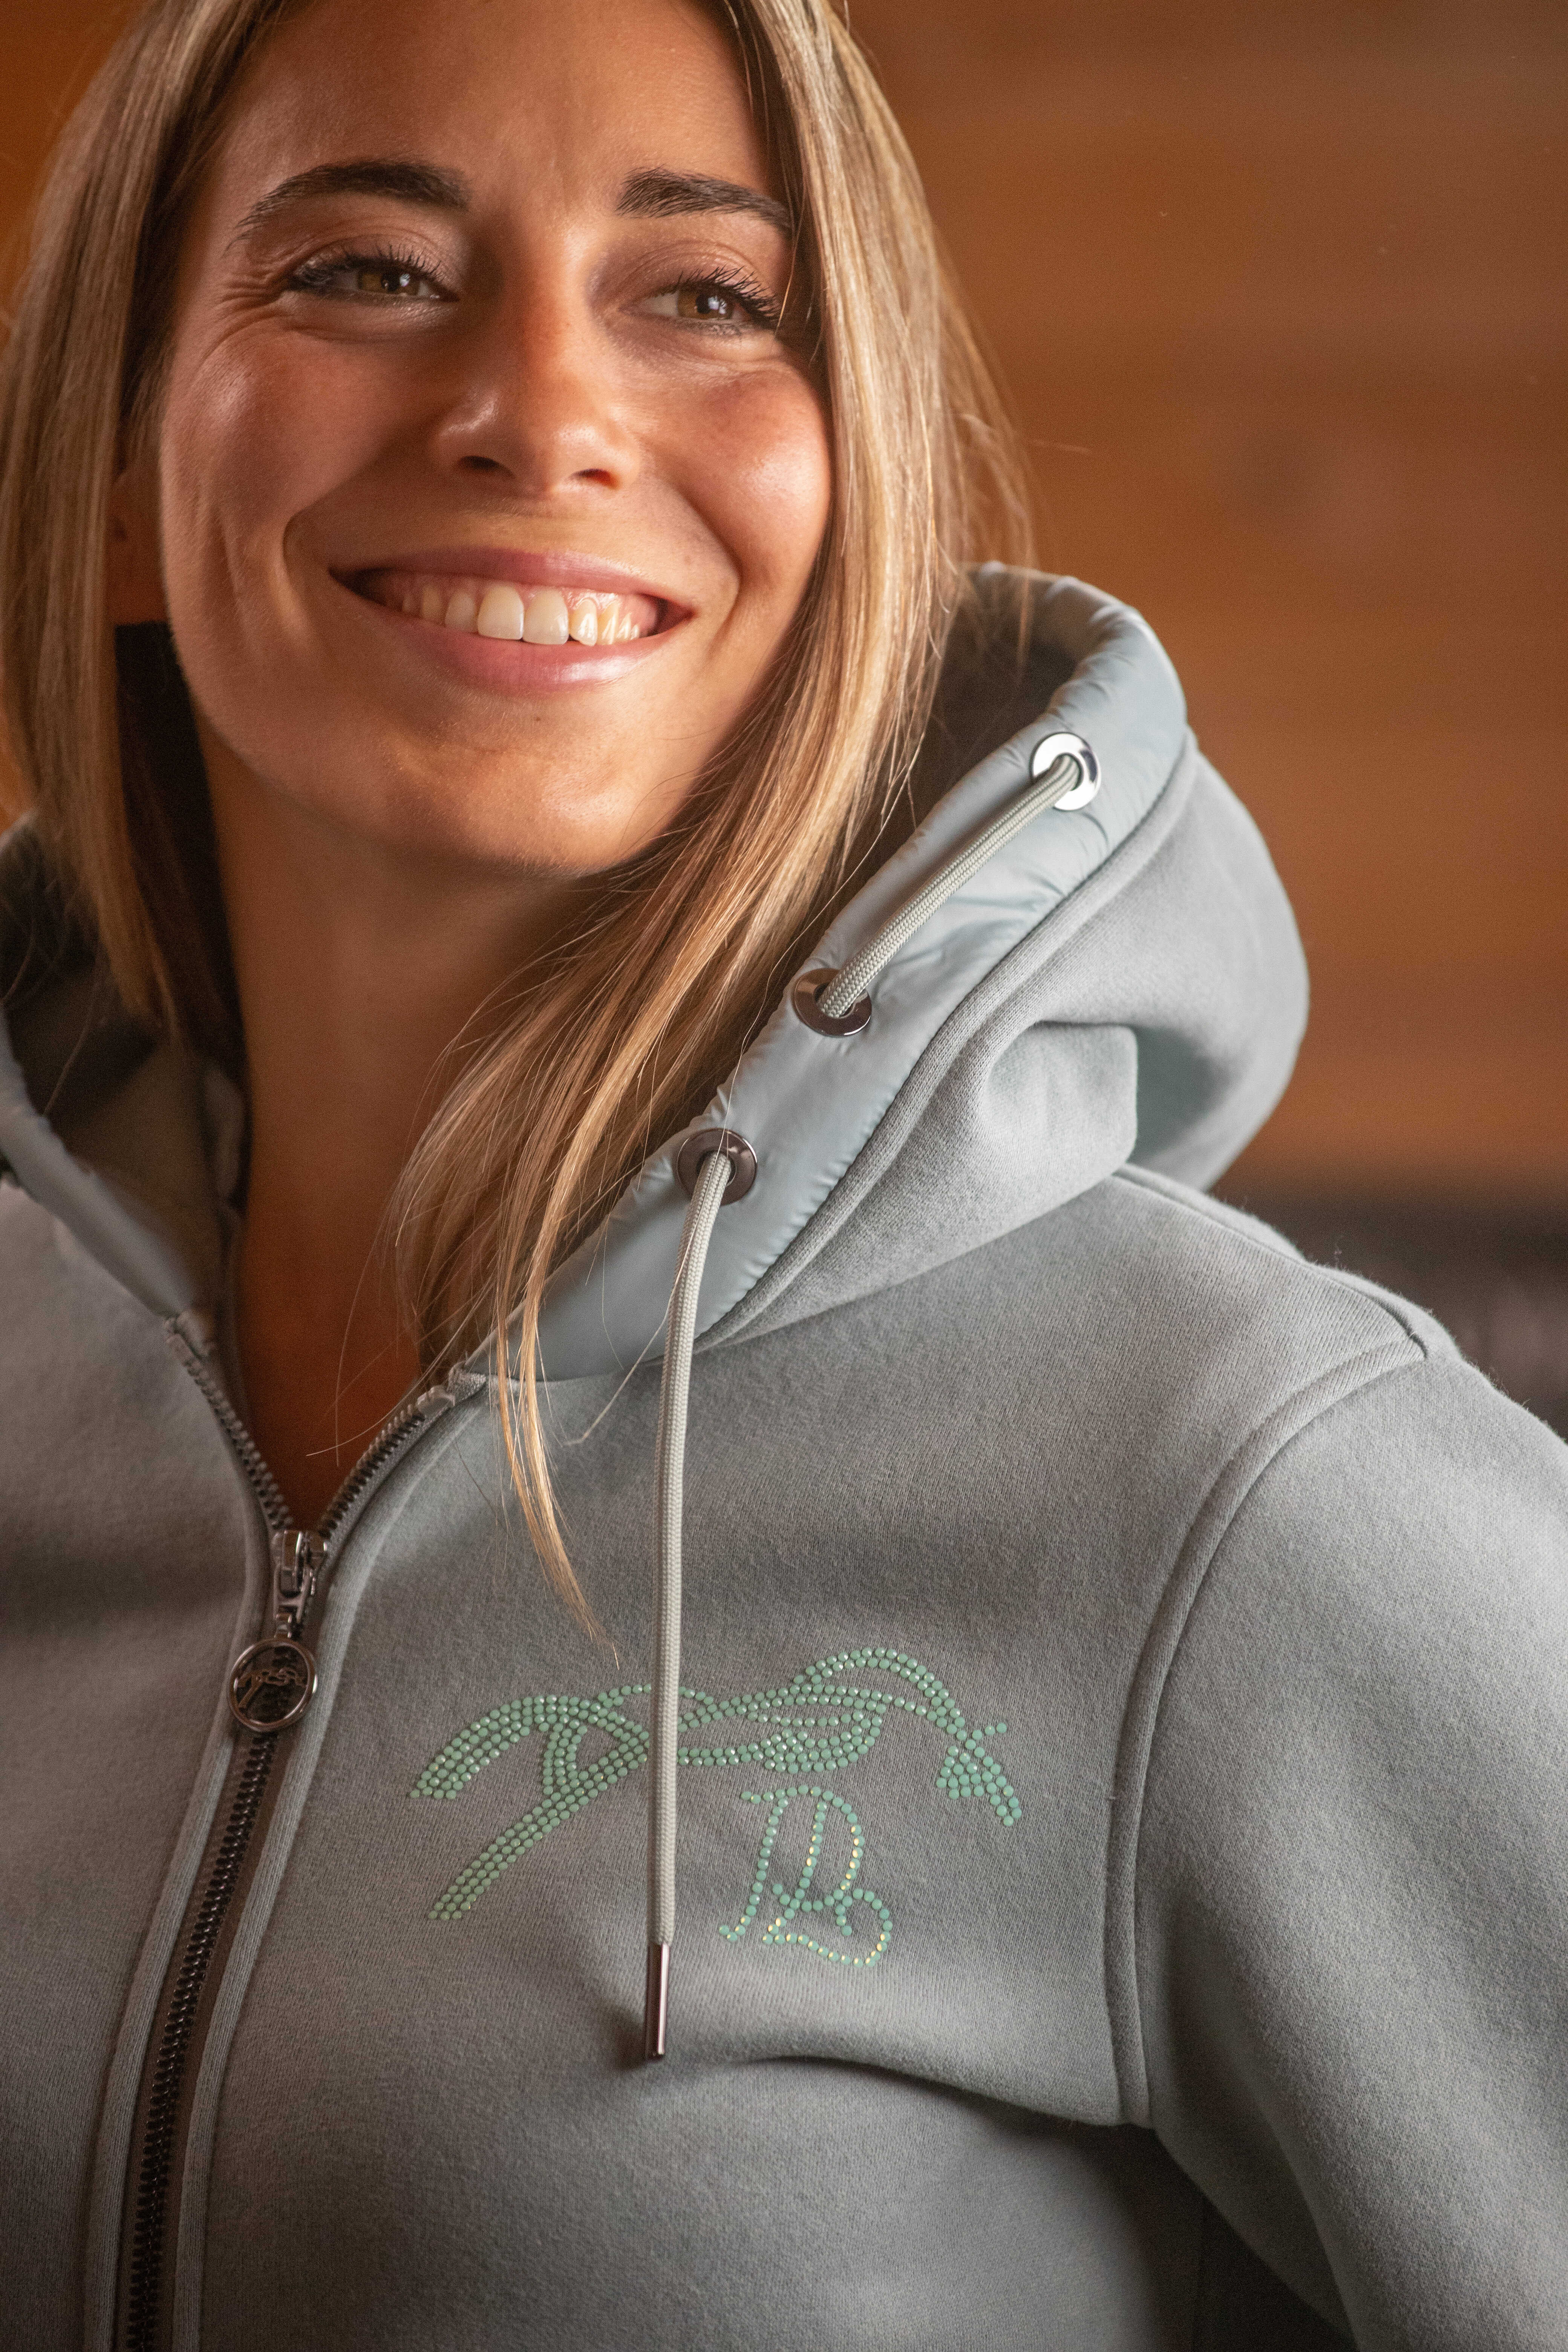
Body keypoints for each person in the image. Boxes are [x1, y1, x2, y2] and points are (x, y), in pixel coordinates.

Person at [1, 0, 1563, 2345]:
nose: (540, 409)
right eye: (366, 271)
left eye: (708, 295)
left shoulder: (1234, 1485)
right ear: (121, 472)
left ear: (854, 504)